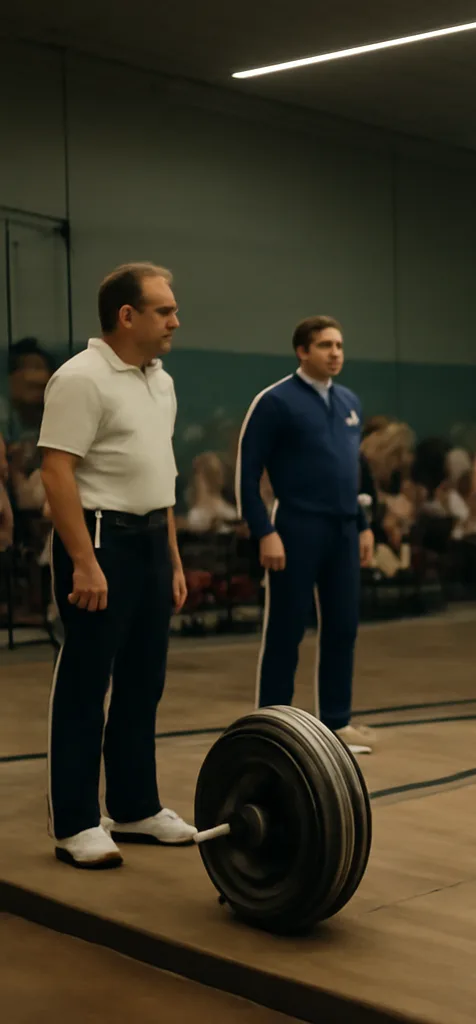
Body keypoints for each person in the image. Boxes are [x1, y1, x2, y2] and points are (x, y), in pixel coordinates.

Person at [37, 261, 195, 869]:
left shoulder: (162, 381)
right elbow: (56, 471)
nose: (175, 321)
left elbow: (163, 474)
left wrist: (174, 558)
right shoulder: (80, 379)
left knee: (142, 683)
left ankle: (133, 808)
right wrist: (83, 561)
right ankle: (75, 823)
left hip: (153, 542)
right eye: (164, 310)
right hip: (99, 544)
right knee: (84, 685)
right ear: (127, 316)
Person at [236, 316, 376, 752]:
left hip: (344, 530)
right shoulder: (276, 401)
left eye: (338, 344)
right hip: (295, 528)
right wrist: (264, 531)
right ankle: (272, 725)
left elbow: (355, 472)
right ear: (302, 351)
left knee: (343, 627)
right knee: (286, 629)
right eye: (324, 345)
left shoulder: (350, 401)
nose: (335, 352)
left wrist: (364, 525)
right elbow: (247, 473)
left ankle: (337, 722)